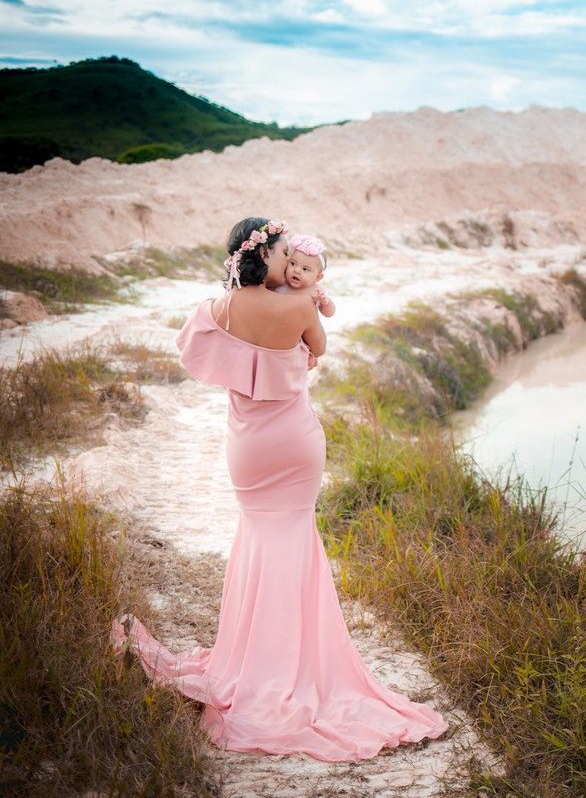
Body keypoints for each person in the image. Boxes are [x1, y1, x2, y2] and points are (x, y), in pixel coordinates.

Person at [111, 217, 448, 761]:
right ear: (263, 255)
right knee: (295, 539)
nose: (292, 262)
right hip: (294, 442)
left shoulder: (217, 309)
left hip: (247, 447)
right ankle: (296, 664)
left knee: (257, 537)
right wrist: (307, 299)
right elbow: (320, 347)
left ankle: (248, 660)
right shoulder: (301, 304)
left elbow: (194, 352)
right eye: (285, 253)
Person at [276, 233, 336, 318]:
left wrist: (325, 303)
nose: (296, 270)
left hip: (302, 329)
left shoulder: (317, 291)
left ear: (318, 277)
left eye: (305, 269)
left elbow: (329, 314)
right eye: (293, 263)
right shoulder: (281, 283)